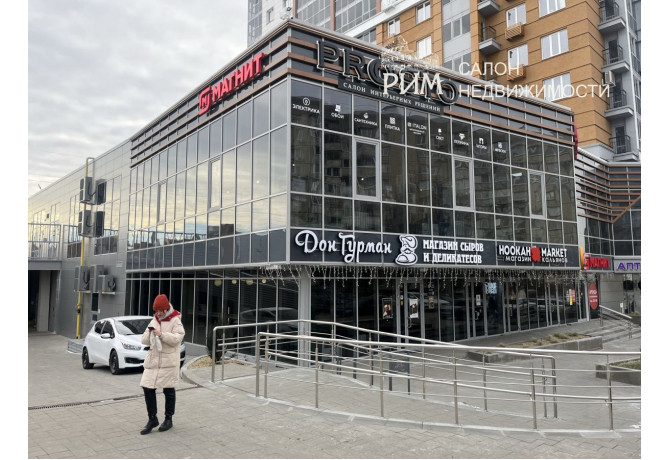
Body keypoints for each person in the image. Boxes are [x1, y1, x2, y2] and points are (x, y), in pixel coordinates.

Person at [139, 294, 185, 435]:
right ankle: (152, 418)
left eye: (160, 310)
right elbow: (144, 340)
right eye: (156, 311)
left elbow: (177, 338)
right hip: (153, 360)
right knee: (147, 386)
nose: (158, 313)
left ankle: (168, 419)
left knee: (168, 389)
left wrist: (161, 334)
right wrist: (150, 333)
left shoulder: (175, 320)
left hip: (169, 361)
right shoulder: (154, 319)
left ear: (166, 309)